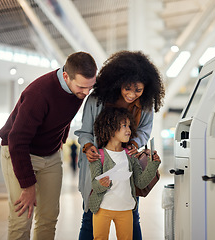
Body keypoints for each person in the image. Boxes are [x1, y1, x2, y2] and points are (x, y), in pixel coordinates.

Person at [0, 52, 97, 240]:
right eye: (82, 87)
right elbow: (17, 140)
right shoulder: (39, 93)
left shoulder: (80, 88)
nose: (86, 93)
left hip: (50, 156)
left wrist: (61, 137)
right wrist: (28, 186)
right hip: (20, 153)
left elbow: (64, 116)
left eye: (90, 87)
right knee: (22, 219)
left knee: (49, 217)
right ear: (66, 76)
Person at [74, 50, 165, 239]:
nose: (132, 94)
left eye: (138, 90)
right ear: (118, 82)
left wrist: (135, 143)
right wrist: (88, 146)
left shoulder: (146, 105)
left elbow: (145, 131)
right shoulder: (96, 100)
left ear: (146, 89)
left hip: (126, 167)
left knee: (131, 216)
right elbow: (84, 132)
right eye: (127, 88)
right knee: (90, 217)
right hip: (97, 165)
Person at [90, 107, 161, 240]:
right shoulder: (98, 156)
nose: (129, 130)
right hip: (102, 208)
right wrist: (102, 183)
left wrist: (153, 164)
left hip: (126, 209)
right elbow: (95, 185)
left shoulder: (130, 155)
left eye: (129, 126)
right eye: (124, 126)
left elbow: (140, 182)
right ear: (110, 128)